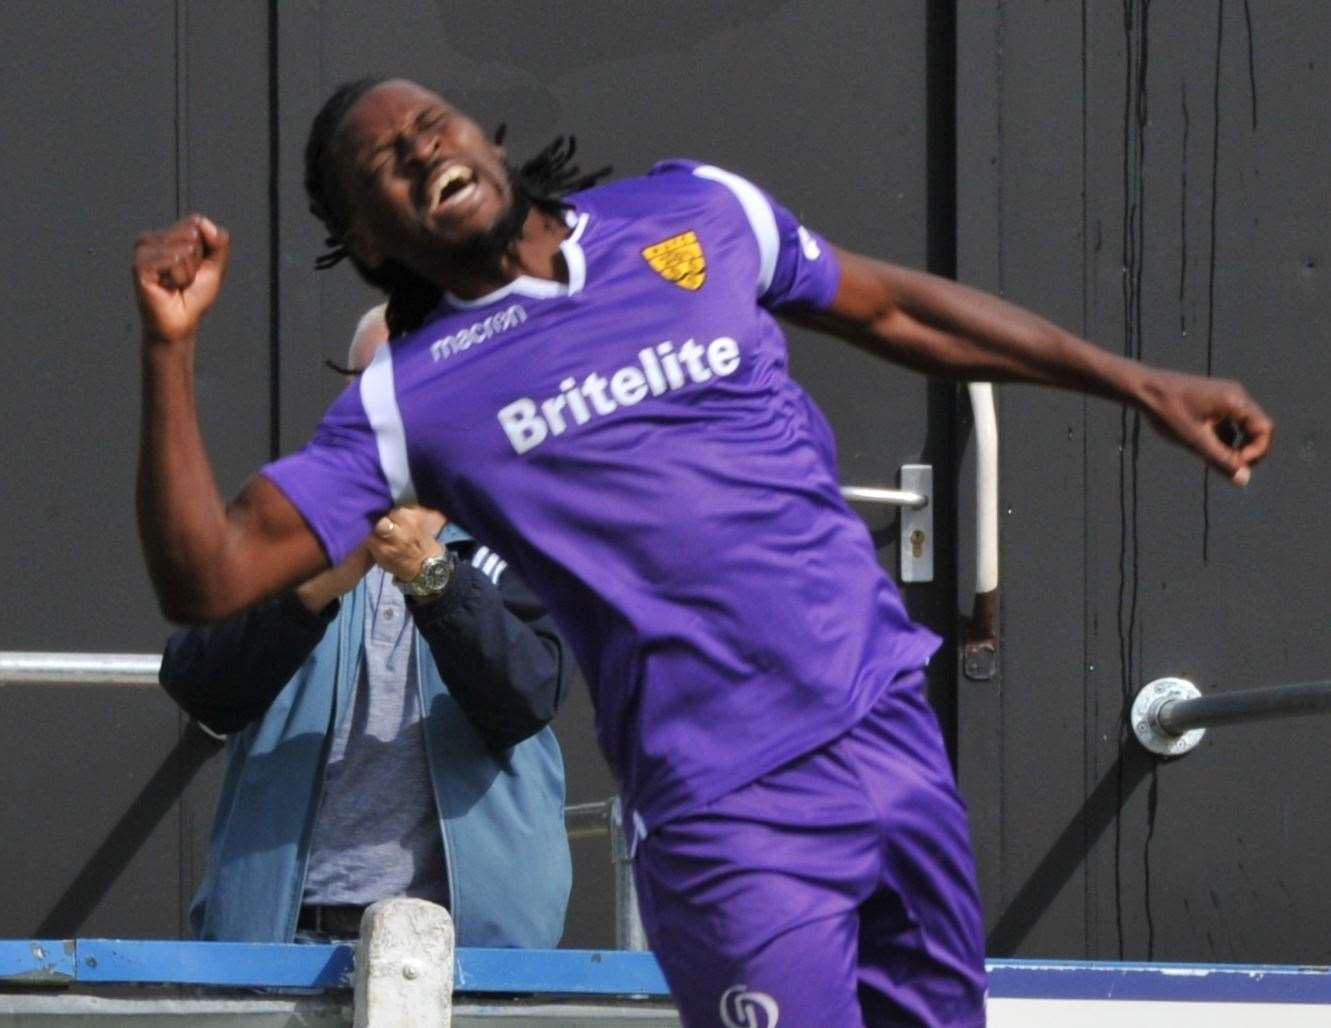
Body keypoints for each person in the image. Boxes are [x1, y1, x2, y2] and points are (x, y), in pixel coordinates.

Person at [132, 77, 1272, 1026]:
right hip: (731, 809)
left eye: (428, 119)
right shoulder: (408, 398)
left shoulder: (697, 213)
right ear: (369, 238)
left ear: (482, 135)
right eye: (379, 159)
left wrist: (1132, 381)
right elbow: (206, 574)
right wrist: (169, 349)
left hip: (887, 731)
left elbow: (889, 310)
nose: (417, 144)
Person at [157, 305, 574, 946]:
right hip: (284, 942)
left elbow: (525, 697)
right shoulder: (283, 519)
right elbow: (199, 682)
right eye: (373, 383)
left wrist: (434, 578)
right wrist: (311, 588)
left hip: (468, 953)